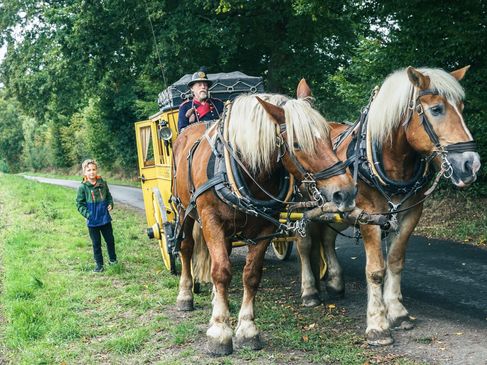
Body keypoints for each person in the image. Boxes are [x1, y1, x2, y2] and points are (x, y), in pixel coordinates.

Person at [76, 159, 117, 272]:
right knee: (96, 244)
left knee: (110, 240)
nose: (92, 172)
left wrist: (110, 204)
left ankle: (113, 260)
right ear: (85, 172)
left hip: (105, 218)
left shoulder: (102, 183)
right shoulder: (83, 187)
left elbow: (108, 196)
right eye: (89, 170)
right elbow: (79, 204)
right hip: (92, 221)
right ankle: (99, 265)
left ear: (97, 170)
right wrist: (88, 214)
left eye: (94, 169)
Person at [178, 67, 224, 132]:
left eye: (205, 85)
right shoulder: (185, 107)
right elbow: (182, 132)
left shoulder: (218, 103)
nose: (203, 87)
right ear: (192, 88)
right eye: (199, 85)